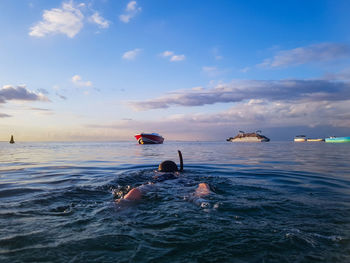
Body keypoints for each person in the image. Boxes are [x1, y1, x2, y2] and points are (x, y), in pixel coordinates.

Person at [116, 150, 211, 203]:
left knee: (135, 191)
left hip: (159, 184)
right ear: (177, 171)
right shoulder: (178, 175)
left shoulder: (158, 176)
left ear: (157, 172)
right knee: (203, 184)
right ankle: (199, 197)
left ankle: (122, 203)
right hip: (179, 183)